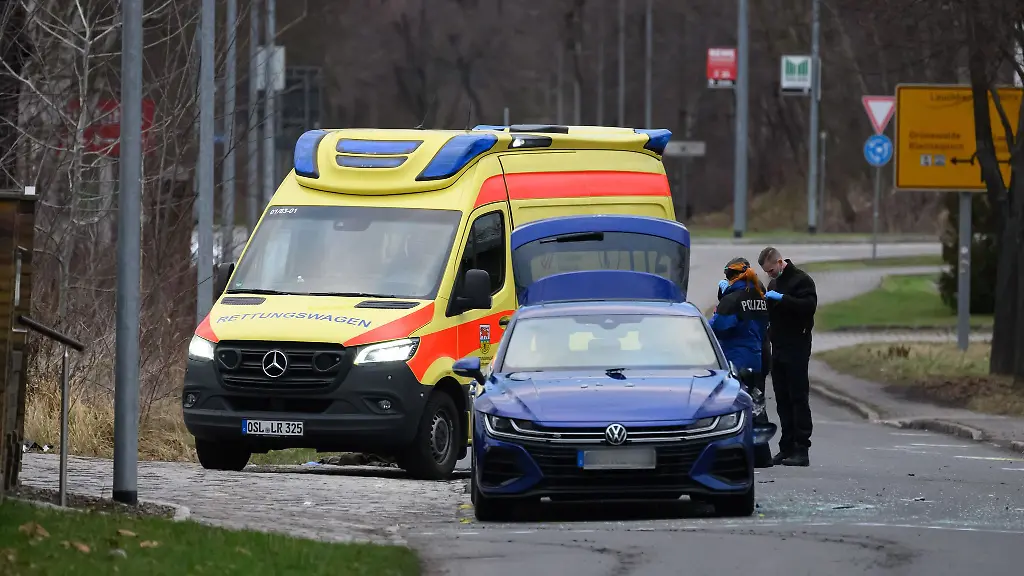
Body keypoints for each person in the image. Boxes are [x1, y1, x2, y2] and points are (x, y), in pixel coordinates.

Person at [757, 246, 817, 467]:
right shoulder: (774, 283)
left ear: (781, 262)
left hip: (797, 346)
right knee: (782, 399)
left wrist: (783, 299)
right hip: (779, 346)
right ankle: (786, 446)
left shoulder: (802, 281)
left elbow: (808, 307)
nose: (769, 275)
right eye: (767, 272)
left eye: (771, 270)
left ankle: (802, 448)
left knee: (797, 397)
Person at [710, 257, 770, 388]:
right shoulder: (761, 297)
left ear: (732, 276)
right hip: (757, 359)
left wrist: (715, 315)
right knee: (756, 403)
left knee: (737, 403)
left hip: (736, 362)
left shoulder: (731, 300)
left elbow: (718, 329)